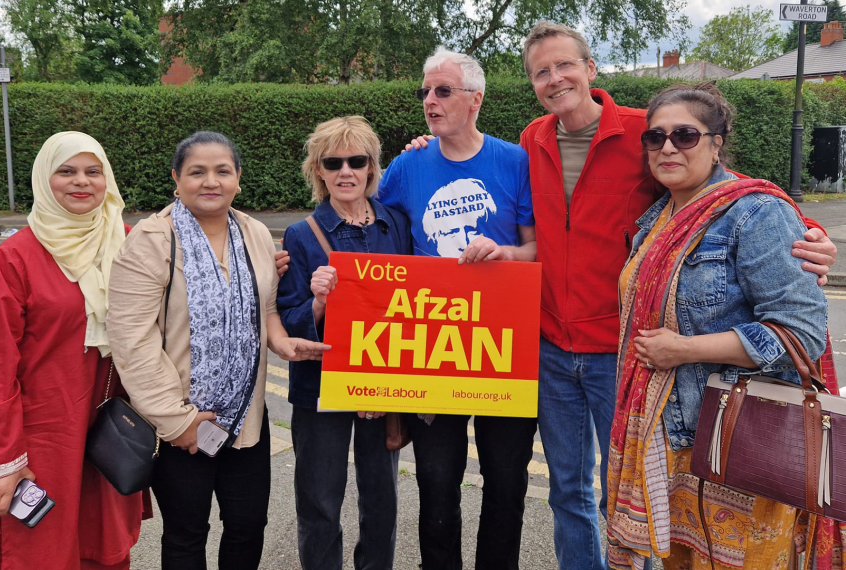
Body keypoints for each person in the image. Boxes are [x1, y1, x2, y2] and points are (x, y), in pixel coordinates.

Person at [518, 22, 838, 570]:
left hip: (636, 367)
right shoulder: (533, 139)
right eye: (541, 71)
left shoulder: (644, 129)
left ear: (591, 69)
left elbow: (740, 198)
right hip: (562, 350)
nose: (555, 78)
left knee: (633, 501)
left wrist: (810, 233)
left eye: (564, 65)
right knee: (584, 497)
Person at [606, 82, 829, 569]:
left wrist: (684, 348)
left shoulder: (757, 213)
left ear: (716, 141)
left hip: (740, 442)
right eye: (655, 137)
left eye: (685, 135)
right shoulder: (658, 217)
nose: (667, 146)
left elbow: (803, 332)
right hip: (676, 442)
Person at [106, 131, 328, 570]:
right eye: (197, 172)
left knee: (248, 527)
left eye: (222, 171)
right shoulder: (153, 239)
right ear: (176, 178)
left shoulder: (255, 233)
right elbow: (133, 341)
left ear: (238, 179)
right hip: (182, 423)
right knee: (187, 534)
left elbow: (264, 306)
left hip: (246, 420)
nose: (211, 181)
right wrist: (178, 420)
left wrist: (282, 342)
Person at [378, 48, 538, 570]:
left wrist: (506, 253)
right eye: (425, 91)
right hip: (436, 346)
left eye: (442, 91)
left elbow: (537, 248)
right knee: (436, 482)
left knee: (506, 481)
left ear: (476, 100)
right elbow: (367, 226)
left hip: (504, 344)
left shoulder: (514, 161)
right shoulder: (407, 165)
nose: (429, 100)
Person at [0, 131, 145, 570]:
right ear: (42, 180)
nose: (81, 182)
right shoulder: (15, 258)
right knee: (40, 552)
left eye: (94, 171)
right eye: (66, 172)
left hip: (109, 430)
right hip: (40, 438)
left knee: (102, 547)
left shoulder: (129, 243)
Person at [277, 116, 412, 570]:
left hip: (381, 380)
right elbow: (289, 325)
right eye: (333, 162)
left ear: (372, 167)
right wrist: (317, 301)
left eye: (357, 160)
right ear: (318, 170)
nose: (346, 171)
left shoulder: (397, 225)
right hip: (320, 387)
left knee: (382, 500)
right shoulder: (299, 235)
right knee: (319, 500)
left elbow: (419, 302)